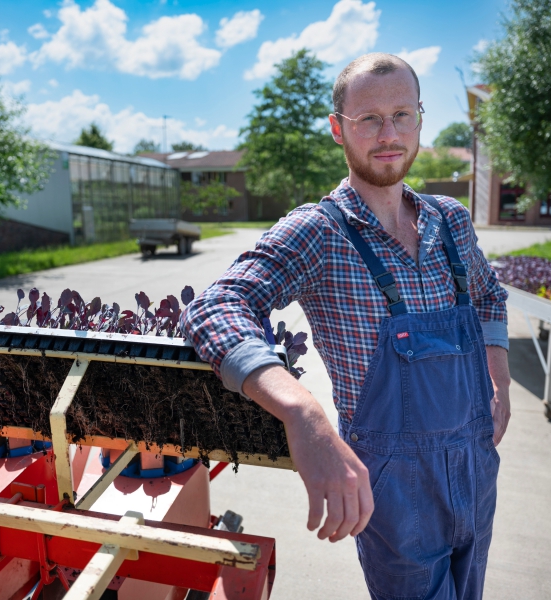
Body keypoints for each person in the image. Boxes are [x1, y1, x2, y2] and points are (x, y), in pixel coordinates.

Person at [180, 52, 511, 600]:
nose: (389, 134)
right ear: (339, 129)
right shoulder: (319, 233)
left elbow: (488, 297)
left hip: (476, 469)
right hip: (394, 487)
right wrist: (303, 412)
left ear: (421, 119)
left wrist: (500, 385)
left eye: (403, 115)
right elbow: (216, 307)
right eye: (369, 119)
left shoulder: (450, 219)